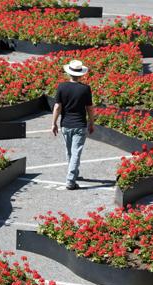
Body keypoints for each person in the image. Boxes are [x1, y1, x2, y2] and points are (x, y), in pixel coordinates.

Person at [52, 59, 95, 190]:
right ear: (81, 74)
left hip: (65, 124)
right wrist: (91, 123)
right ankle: (71, 180)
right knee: (76, 152)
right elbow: (89, 108)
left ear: (69, 73)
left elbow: (57, 107)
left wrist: (53, 123)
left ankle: (74, 172)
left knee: (70, 151)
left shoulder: (61, 87)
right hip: (80, 124)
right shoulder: (85, 89)